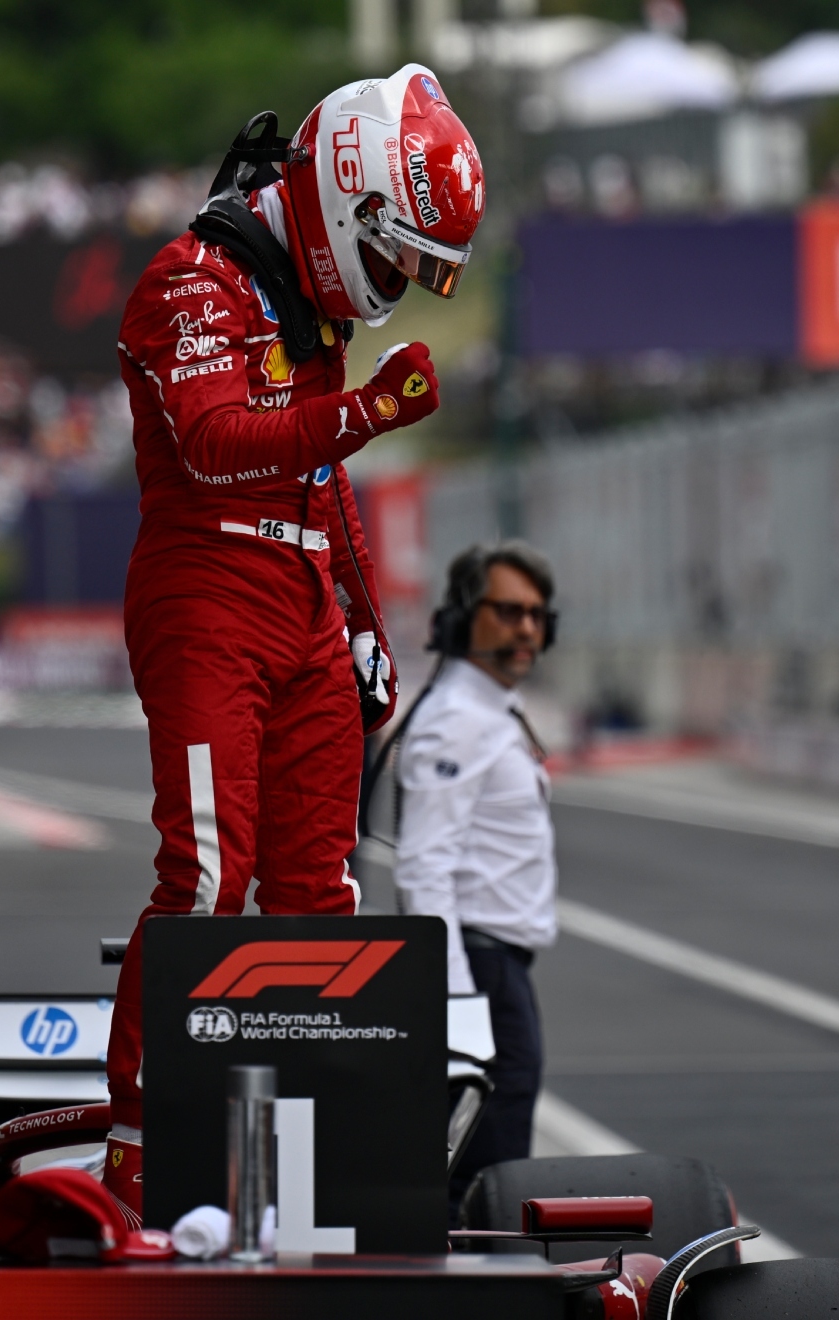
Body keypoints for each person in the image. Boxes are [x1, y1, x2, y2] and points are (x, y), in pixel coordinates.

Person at [103, 62, 486, 1220]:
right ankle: (134, 1141)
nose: (398, 289)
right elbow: (223, 443)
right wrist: (369, 410)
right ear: (348, 194)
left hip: (304, 593)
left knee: (321, 891)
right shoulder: (189, 282)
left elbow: (315, 483)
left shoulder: (305, 299)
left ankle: (320, 1151)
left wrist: (366, 625)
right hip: (206, 589)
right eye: (400, 255)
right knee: (209, 875)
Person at [393, 543, 559, 1213]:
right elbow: (423, 864)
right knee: (483, 1183)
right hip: (480, 971)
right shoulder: (458, 721)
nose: (527, 629)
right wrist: (457, 1001)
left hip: (499, 967)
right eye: (510, 611)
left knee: (489, 1170)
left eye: (538, 616)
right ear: (464, 618)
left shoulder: (490, 714)